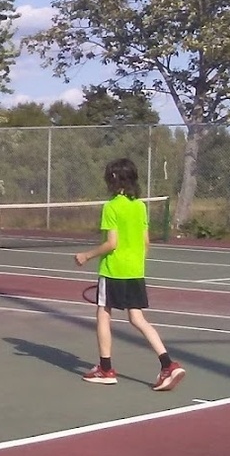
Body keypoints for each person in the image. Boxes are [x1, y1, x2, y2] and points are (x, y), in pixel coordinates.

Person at [75, 157, 186, 391]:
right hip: (136, 272)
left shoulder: (112, 206)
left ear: (113, 179)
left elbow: (112, 243)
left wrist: (87, 255)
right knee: (138, 319)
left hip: (114, 271)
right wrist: (135, 263)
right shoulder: (139, 206)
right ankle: (168, 364)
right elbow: (146, 243)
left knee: (103, 315)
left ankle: (105, 369)